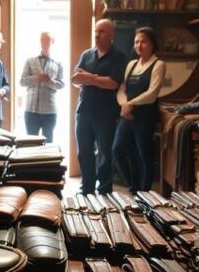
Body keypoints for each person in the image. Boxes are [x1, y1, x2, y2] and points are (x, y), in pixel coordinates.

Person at [71, 19, 127, 195]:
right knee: (84, 152)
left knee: (105, 154)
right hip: (83, 112)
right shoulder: (86, 54)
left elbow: (113, 83)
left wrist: (89, 78)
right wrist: (95, 79)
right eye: (96, 31)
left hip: (106, 114)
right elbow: (75, 79)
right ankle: (87, 187)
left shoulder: (119, 57)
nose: (97, 34)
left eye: (101, 31)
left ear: (111, 35)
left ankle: (104, 189)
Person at [113, 27, 166, 193]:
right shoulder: (131, 64)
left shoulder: (159, 64)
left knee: (144, 156)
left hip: (145, 116)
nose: (139, 45)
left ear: (152, 44)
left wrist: (130, 104)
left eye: (144, 41)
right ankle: (133, 185)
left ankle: (145, 192)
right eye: (137, 41)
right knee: (118, 151)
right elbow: (122, 89)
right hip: (127, 114)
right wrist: (123, 105)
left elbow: (152, 94)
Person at [19, 31, 64, 142]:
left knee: (48, 144)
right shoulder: (30, 61)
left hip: (50, 111)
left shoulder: (58, 63)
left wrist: (50, 81)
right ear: (40, 42)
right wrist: (36, 78)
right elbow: (22, 82)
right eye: (43, 40)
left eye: (48, 41)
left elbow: (61, 84)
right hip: (31, 110)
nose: (45, 43)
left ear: (53, 42)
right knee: (31, 143)